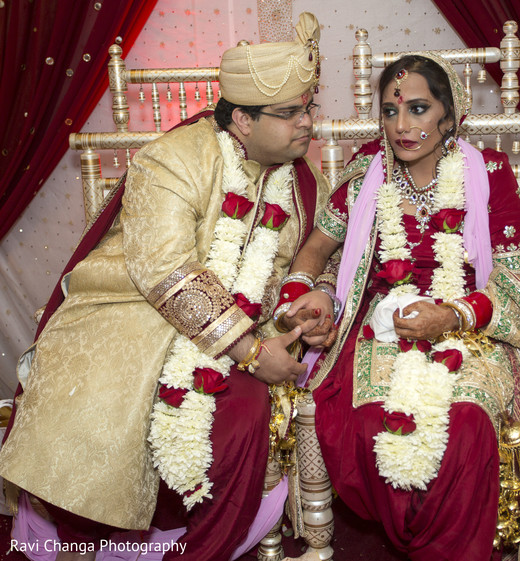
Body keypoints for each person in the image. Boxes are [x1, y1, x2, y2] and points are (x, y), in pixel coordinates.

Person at [0, 12, 332, 561]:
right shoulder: (173, 158)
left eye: (309, 108)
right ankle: (83, 545)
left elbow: (315, 264)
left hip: (241, 334)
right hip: (129, 313)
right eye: (291, 112)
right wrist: (252, 353)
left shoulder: (307, 183)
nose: (308, 123)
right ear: (243, 122)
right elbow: (166, 271)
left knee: (244, 419)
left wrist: (314, 297)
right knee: (102, 396)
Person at [275, 53, 520, 561]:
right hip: (381, 323)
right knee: (373, 422)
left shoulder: (490, 173)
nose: (402, 126)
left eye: (418, 108)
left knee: (468, 423)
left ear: (449, 116)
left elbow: (515, 283)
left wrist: (452, 316)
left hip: (470, 322)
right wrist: (312, 291)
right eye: (391, 112)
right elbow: (316, 250)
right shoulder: (368, 169)